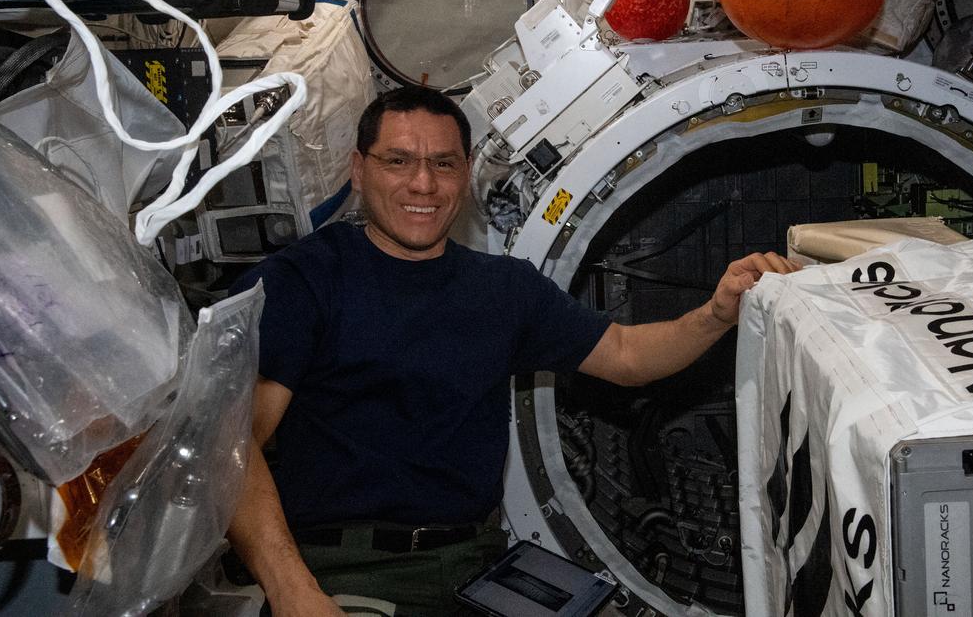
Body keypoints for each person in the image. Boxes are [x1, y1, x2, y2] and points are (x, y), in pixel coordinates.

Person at [227, 87, 796, 617]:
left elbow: (625, 355)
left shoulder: (503, 289)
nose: (422, 184)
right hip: (345, 571)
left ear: (466, 174)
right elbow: (230, 445)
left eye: (443, 164)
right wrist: (294, 592)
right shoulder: (305, 281)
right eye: (398, 161)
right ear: (359, 169)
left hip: (475, 568)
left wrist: (717, 312)